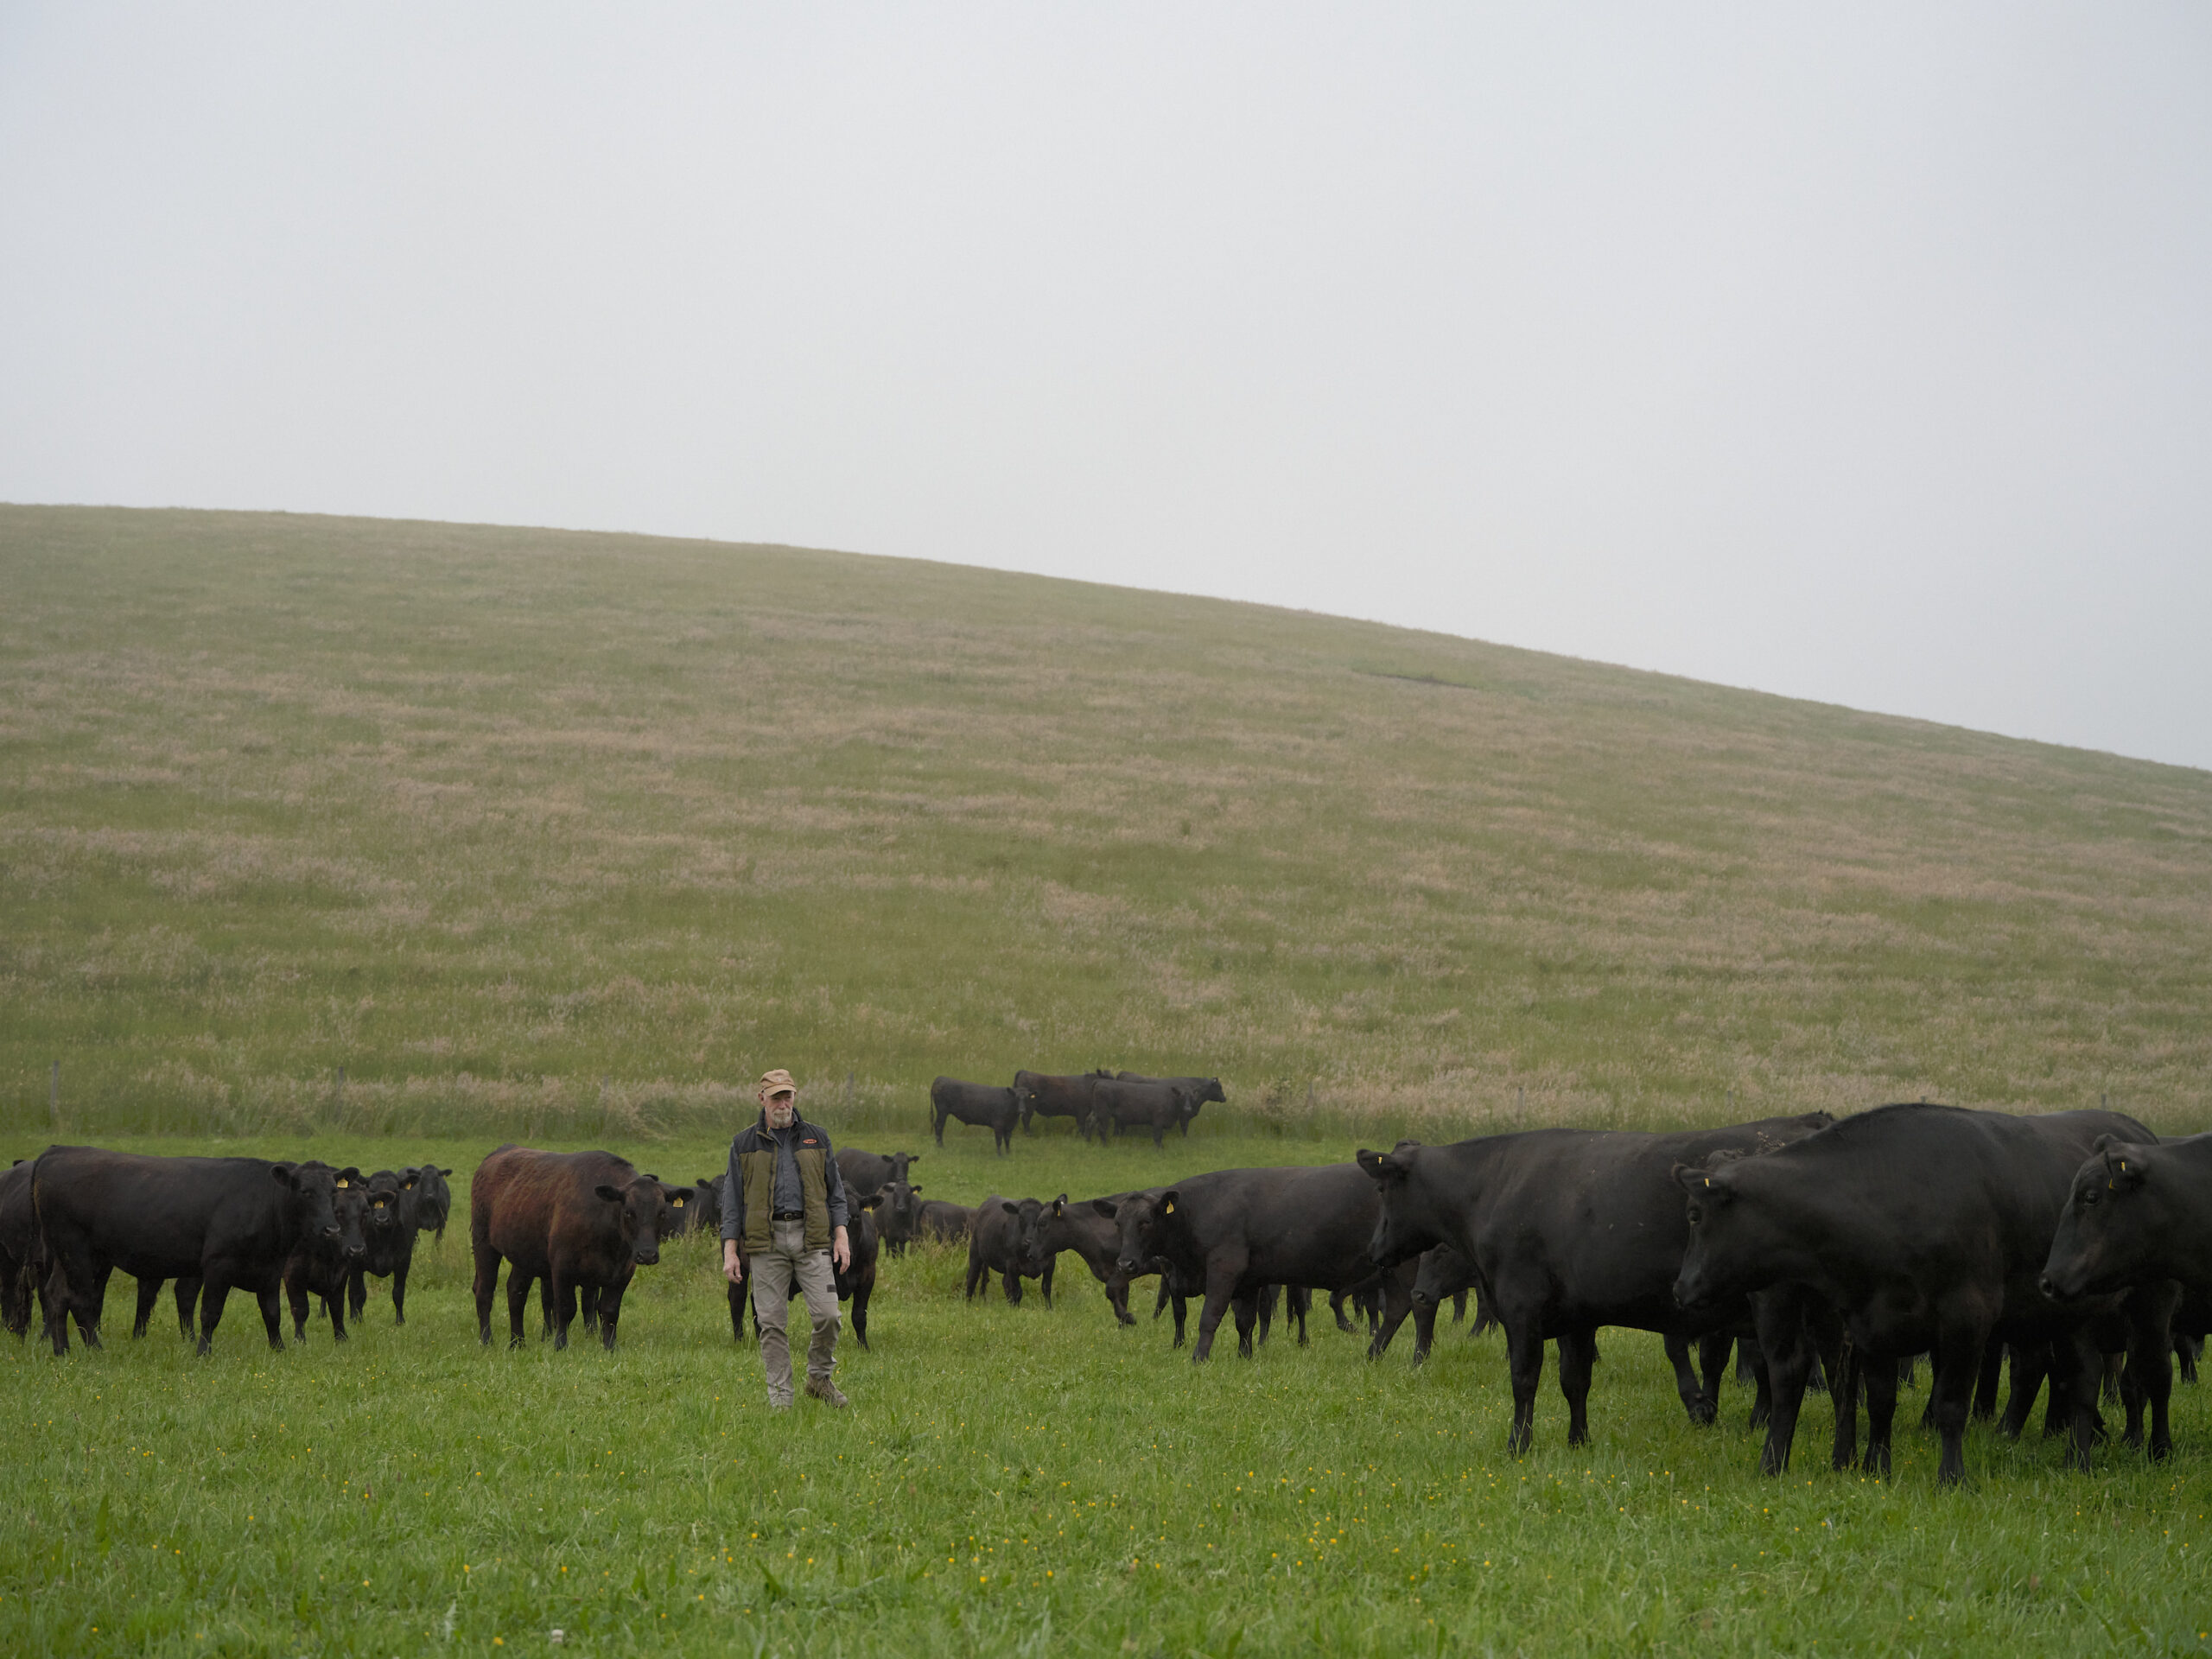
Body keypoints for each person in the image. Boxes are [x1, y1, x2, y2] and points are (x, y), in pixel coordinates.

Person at [721, 1068, 853, 1408]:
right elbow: (732, 1202)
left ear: (795, 1097)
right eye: (776, 1096)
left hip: (812, 1239)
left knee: (828, 1316)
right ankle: (781, 1399)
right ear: (761, 1098)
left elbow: (836, 1194)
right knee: (771, 1323)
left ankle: (819, 1378)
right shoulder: (744, 1143)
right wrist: (730, 1252)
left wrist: (841, 1237)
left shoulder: (817, 1138)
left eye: (788, 1095)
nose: (783, 1103)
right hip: (766, 1242)